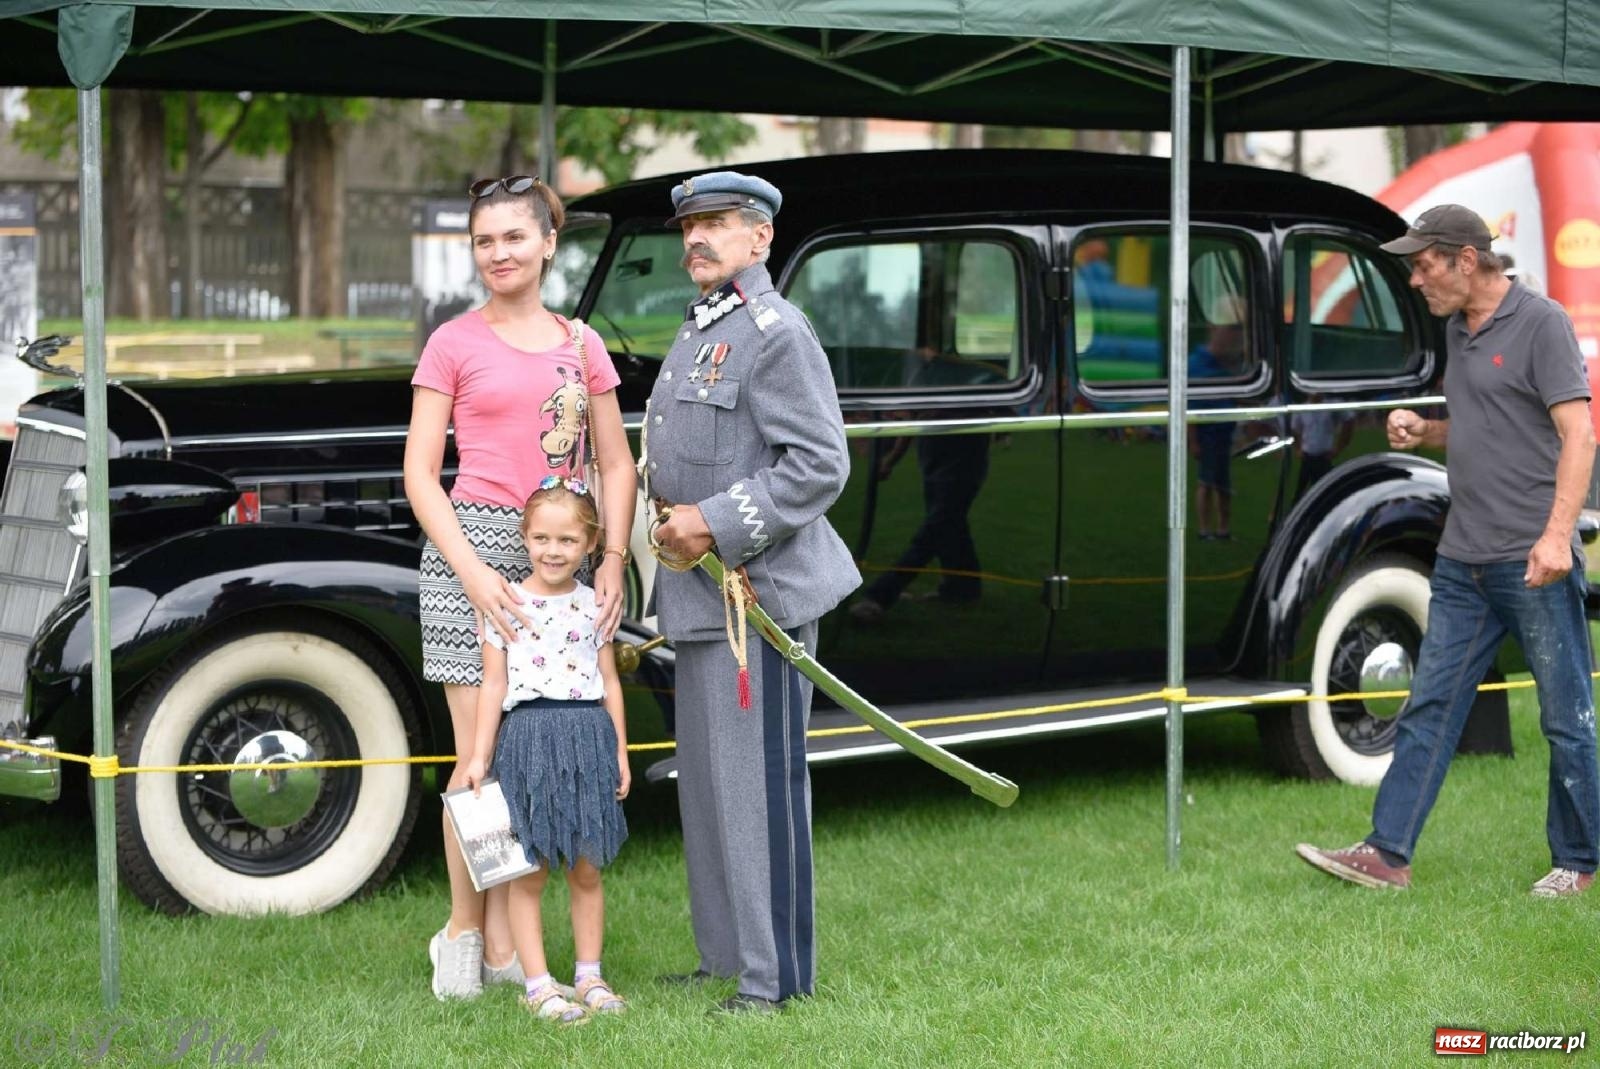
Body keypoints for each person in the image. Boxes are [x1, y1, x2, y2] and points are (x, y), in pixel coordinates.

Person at [1297, 204, 1599, 897]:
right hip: (1462, 558)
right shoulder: (1457, 333)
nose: (1414, 278)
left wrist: (1557, 537)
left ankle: (1578, 861)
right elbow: (1487, 423)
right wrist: (1426, 430)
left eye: (1424, 263)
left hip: (1533, 559)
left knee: (1565, 715)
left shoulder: (1542, 324)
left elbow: (1577, 436)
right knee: (1430, 704)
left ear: (1467, 259)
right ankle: (1387, 853)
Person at [404, 175, 638, 1000]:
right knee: (481, 764)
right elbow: (420, 473)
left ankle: (510, 941)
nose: (497, 252)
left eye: (513, 236)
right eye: (482, 240)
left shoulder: (582, 345)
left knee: (529, 755)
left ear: (547, 243)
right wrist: (473, 569)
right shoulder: (452, 343)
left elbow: (614, 461)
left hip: (559, 556)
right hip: (468, 552)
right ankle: (469, 935)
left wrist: (610, 560)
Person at [646, 171, 861, 1013]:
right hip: (705, 598)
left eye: (718, 223)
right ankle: (726, 956)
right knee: (707, 788)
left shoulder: (777, 331)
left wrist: (714, 521)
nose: (697, 237)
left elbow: (819, 464)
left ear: (760, 237)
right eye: (690, 225)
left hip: (760, 602)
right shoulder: (703, 326)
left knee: (759, 791)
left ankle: (776, 981)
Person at [463, 477, 631, 1023]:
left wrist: (622, 754)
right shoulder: (503, 602)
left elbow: (610, 681)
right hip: (527, 740)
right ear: (525, 538)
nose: (552, 551)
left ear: (588, 545)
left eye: (565, 541)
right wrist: (478, 757)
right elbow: (491, 687)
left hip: (587, 739)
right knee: (528, 870)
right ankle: (538, 985)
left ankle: (589, 976)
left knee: (586, 867)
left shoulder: (596, 605)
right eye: (540, 538)